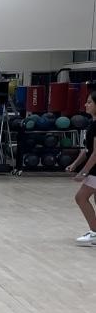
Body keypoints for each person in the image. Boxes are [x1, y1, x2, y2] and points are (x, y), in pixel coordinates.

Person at [67, 91, 96, 246]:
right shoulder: (92, 123)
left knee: (81, 197)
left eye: (90, 102)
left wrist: (83, 172)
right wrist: (75, 164)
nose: (86, 105)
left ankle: (95, 233)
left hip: (95, 170)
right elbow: (87, 150)